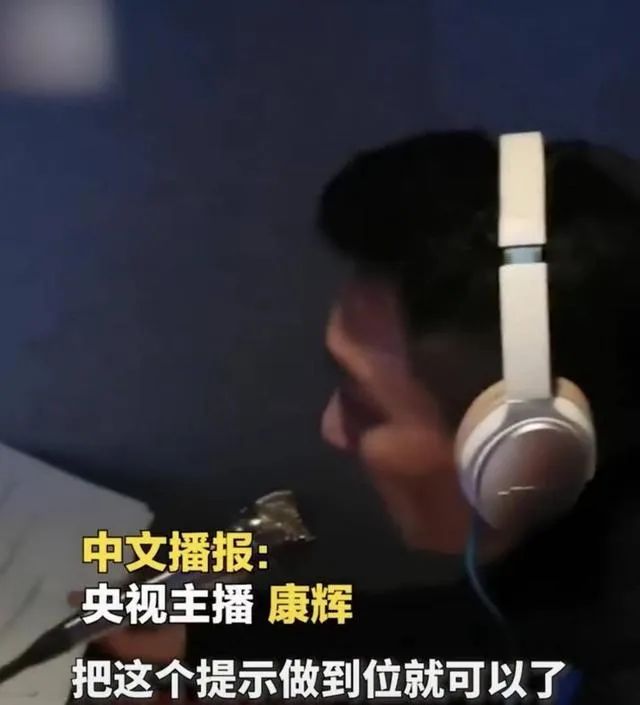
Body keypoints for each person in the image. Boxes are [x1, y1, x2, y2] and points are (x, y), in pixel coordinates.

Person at [78, 131, 640, 703]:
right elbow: (470, 634)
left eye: (365, 406)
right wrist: (211, 647)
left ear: (525, 454)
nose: (332, 428)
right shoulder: (586, 525)